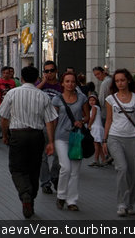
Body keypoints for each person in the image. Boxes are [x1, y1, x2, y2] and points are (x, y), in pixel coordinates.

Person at [0, 65, 57, 218]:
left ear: (21, 78)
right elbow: (50, 120)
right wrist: (51, 141)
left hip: (18, 134)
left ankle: (25, 195)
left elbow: (4, 118)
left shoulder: (12, 93)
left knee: (17, 168)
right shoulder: (42, 96)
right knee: (34, 168)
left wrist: (5, 135)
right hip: (37, 135)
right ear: (37, 79)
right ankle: (31, 198)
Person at [103, 68, 135, 216]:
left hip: (133, 138)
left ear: (128, 80)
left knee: (133, 173)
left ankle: (130, 204)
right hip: (115, 137)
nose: (120, 83)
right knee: (122, 168)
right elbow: (108, 120)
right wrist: (104, 139)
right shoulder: (111, 99)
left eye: (122, 80)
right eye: (117, 81)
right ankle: (121, 204)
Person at [51, 72, 89, 211]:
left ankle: (72, 200)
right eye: (67, 81)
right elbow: (53, 120)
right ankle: (61, 196)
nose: (70, 84)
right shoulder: (57, 99)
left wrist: (82, 121)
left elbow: (88, 116)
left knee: (75, 171)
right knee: (65, 168)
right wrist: (51, 139)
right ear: (62, 83)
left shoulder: (82, 98)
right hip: (60, 137)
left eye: (72, 81)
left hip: (76, 137)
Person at [37, 60, 62, 194]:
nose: (49, 73)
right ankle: (45, 183)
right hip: (42, 125)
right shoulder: (40, 86)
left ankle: (55, 176)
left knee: (59, 156)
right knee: (42, 157)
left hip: (58, 125)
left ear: (56, 71)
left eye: (52, 70)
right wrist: (43, 82)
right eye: (46, 71)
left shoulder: (62, 86)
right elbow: (32, 93)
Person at [87, 93, 105, 167]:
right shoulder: (97, 107)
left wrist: (89, 125)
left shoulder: (94, 107)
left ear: (96, 101)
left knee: (96, 145)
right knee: (98, 145)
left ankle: (96, 160)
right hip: (98, 127)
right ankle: (103, 159)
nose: (91, 102)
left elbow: (93, 117)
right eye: (90, 100)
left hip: (96, 127)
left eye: (93, 100)